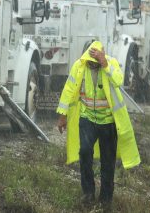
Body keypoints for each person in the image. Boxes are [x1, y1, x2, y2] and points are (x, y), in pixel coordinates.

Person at [56, 41, 140, 208]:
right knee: (85, 152)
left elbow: (118, 80)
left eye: (95, 60)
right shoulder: (79, 67)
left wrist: (105, 64)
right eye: (90, 59)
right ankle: (88, 193)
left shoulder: (111, 63)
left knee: (107, 162)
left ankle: (105, 199)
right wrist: (62, 116)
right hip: (87, 119)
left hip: (108, 122)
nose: (92, 63)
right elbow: (68, 90)